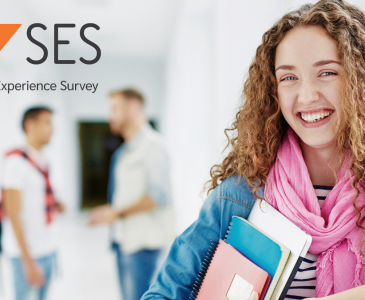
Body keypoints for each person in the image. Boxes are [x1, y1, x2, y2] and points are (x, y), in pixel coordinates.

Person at [141, 1, 365, 299]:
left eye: (327, 73)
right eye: (288, 77)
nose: (307, 95)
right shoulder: (237, 198)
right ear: (272, 91)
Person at [88, 88, 175, 300]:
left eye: (115, 109)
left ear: (134, 107)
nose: (110, 116)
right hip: (123, 242)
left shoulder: (153, 147)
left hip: (143, 247)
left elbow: (157, 196)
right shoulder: (123, 151)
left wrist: (115, 212)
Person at [0, 106, 65, 300]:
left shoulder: (42, 161)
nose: (52, 130)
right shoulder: (15, 163)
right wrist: (28, 261)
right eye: (47, 123)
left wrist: (56, 204)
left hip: (47, 247)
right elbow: (13, 214)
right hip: (26, 254)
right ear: (30, 125)